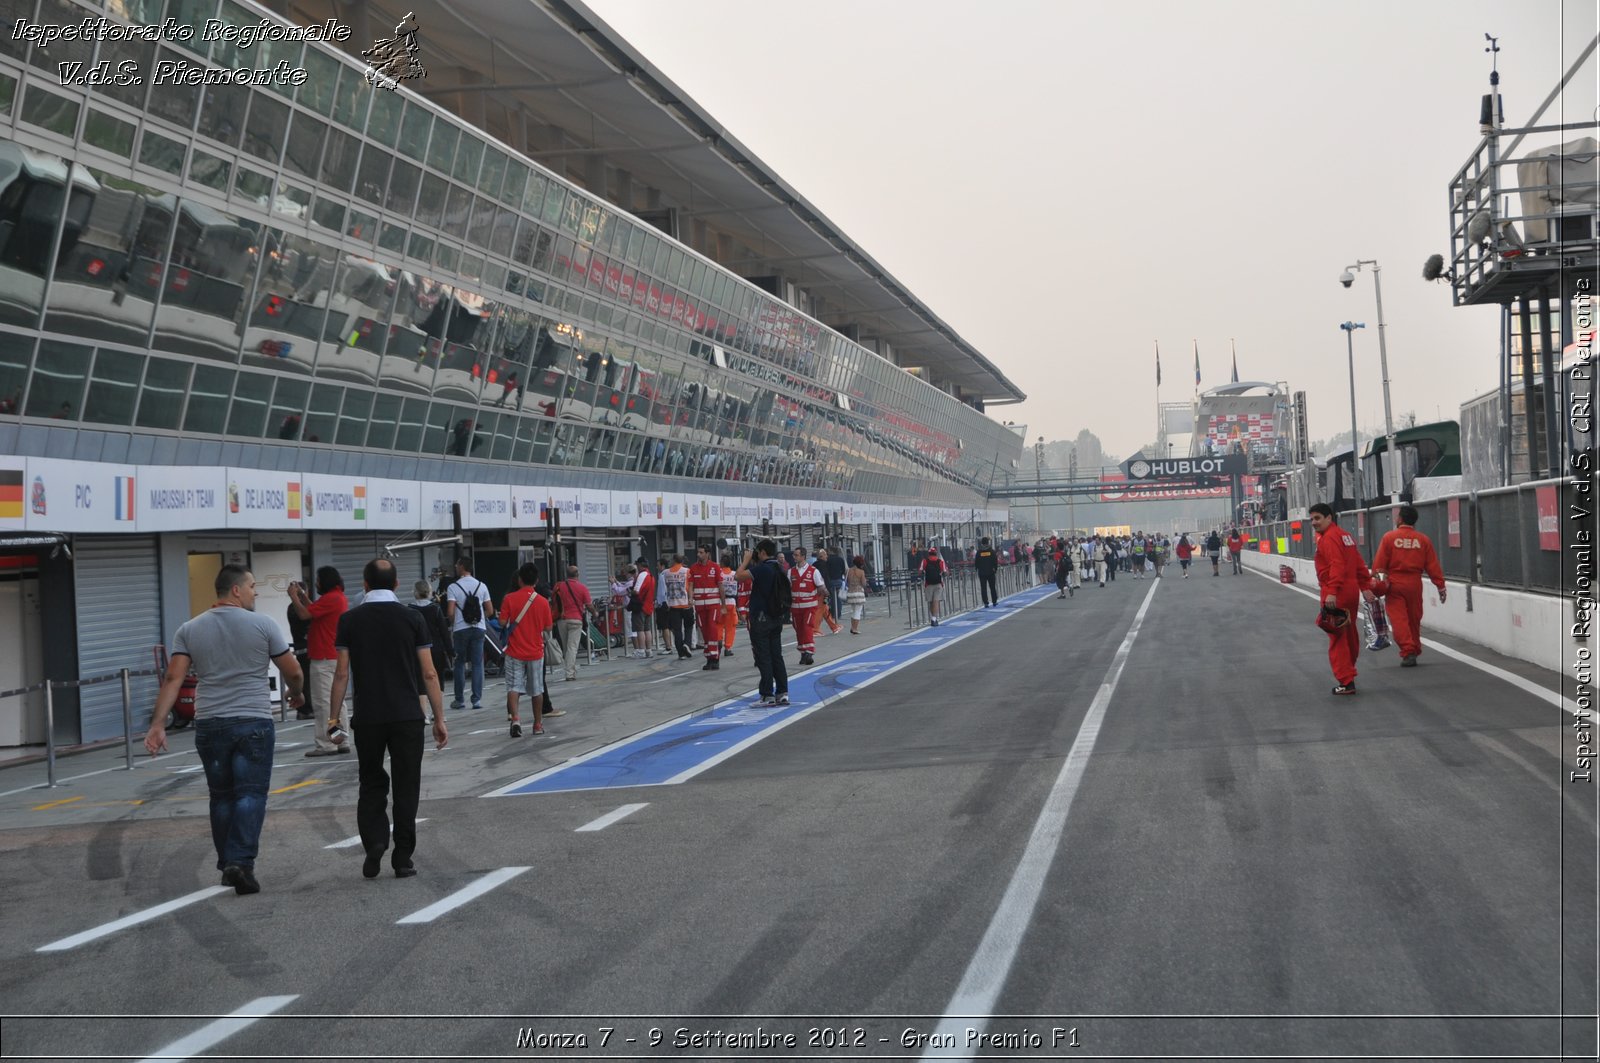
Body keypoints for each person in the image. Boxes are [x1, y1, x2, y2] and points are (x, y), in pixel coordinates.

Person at [144, 565, 304, 896]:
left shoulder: (189, 629)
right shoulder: (263, 624)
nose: (255, 592)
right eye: (251, 586)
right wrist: (298, 693)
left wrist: (158, 724)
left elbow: (174, 678)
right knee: (250, 793)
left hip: (210, 722)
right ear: (235, 590)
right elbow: (293, 670)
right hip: (253, 721)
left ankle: (228, 862)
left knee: (221, 796)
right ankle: (240, 862)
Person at [328, 559, 448, 879]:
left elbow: (341, 673)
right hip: (408, 714)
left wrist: (332, 718)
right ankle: (403, 858)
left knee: (371, 782)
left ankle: (375, 842)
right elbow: (429, 672)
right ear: (396, 585)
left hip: (368, 716)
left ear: (365, 585)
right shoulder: (412, 618)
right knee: (406, 785)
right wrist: (439, 717)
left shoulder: (350, 620)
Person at [1310, 502, 1377, 695]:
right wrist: (1364, 586)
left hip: (1336, 593)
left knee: (1336, 636)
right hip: (1350, 592)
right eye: (1312, 519)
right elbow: (1358, 563)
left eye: (1317, 518)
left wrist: (1331, 591)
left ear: (1329, 518)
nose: (1314, 522)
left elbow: (1337, 565)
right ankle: (1349, 669)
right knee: (1348, 633)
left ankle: (1346, 681)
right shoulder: (1345, 536)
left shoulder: (1328, 538)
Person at [1372, 504, 1448, 667]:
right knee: (1414, 618)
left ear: (1400, 519)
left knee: (1399, 619)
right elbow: (1433, 566)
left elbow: (1380, 565)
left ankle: (1408, 651)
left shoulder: (1389, 538)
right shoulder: (1423, 540)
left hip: (1395, 584)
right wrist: (1440, 586)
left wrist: (1377, 587)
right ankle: (1414, 647)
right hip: (1414, 583)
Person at [289, 567, 350, 757]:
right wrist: (302, 596)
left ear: (325, 580)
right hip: (333, 655)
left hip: (323, 657)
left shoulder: (331, 598)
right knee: (337, 704)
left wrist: (293, 597)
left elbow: (304, 615)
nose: (316, 583)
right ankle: (340, 740)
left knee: (323, 704)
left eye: (317, 579)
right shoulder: (336, 597)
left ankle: (326, 744)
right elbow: (313, 610)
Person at [498, 563, 553, 736]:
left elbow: (501, 623)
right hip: (536, 651)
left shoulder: (509, 599)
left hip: (514, 651)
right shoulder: (543, 602)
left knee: (513, 687)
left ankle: (515, 719)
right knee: (537, 689)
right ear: (536, 580)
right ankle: (537, 725)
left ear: (520, 579)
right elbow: (548, 627)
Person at [737, 538, 789, 707]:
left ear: (762, 552)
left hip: (761, 618)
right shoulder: (779, 567)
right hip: (776, 617)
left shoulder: (762, 569)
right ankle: (782, 692)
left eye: (757, 552)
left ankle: (767, 695)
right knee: (777, 655)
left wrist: (745, 560)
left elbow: (738, 576)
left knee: (763, 657)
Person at [445, 556, 492, 710]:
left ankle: (459, 700)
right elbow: (490, 610)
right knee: (477, 663)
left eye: (457, 564)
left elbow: (450, 611)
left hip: (461, 629)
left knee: (459, 663)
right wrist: (479, 619)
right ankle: (476, 700)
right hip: (479, 628)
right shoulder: (482, 586)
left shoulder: (453, 587)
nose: (455, 566)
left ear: (462, 567)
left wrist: (454, 622)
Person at [550, 565, 595, 681]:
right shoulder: (582, 587)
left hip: (562, 620)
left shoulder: (559, 586)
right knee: (572, 647)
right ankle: (570, 673)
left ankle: (571, 670)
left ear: (566, 575)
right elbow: (589, 605)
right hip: (576, 620)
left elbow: (553, 601)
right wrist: (595, 613)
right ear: (577, 575)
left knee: (567, 647)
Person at [409, 580, 454, 688]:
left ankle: (423, 702)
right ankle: (439, 700)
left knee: (420, 682)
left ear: (414, 592)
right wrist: (450, 650)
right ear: (429, 592)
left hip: (417, 649)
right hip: (436, 648)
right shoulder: (435, 609)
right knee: (438, 678)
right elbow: (444, 632)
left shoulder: (410, 610)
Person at [689, 543, 726, 670]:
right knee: (704, 632)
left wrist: (723, 605)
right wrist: (690, 598)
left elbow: (721, 586)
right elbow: (690, 585)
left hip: (713, 605)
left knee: (712, 629)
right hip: (699, 606)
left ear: (707, 553)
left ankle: (715, 658)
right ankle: (709, 657)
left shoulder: (715, 567)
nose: (698, 554)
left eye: (701, 552)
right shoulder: (693, 568)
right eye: (698, 552)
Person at [788, 544, 825, 665]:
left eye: (796, 555)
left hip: (809, 605)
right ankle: (803, 652)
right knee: (798, 629)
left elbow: (820, 586)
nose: (794, 557)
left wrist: (823, 596)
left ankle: (809, 651)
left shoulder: (813, 571)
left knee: (807, 627)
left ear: (803, 556)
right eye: (794, 555)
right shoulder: (791, 572)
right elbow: (787, 588)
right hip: (795, 607)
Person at [285, 590, 315, 721]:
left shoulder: (292, 608)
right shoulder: (295, 609)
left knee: (306, 679)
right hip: (304, 648)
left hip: (303, 649)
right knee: (306, 680)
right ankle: (305, 709)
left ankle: (304, 707)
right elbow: (307, 617)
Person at [661, 554, 693, 659]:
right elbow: (690, 587)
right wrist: (691, 599)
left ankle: (681, 652)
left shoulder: (665, 573)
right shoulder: (686, 571)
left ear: (674, 560)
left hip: (673, 605)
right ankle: (687, 644)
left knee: (677, 630)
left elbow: (663, 589)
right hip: (685, 603)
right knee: (689, 626)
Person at [630, 557, 655, 658]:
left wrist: (629, 592)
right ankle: (649, 650)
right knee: (647, 629)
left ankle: (641, 651)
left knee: (640, 629)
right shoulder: (651, 575)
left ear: (640, 565)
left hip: (640, 606)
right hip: (648, 606)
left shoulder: (642, 575)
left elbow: (636, 591)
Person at [919, 546, 948, 625]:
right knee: (936, 600)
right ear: (936, 553)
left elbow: (920, 572)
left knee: (931, 602)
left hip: (928, 584)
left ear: (929, 554)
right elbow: (945, 572)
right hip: (938, 584)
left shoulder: (924, 561)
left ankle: (933, 617)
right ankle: (934, 618)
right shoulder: (940, 561)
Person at [821, 546, 848, 619]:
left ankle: (833, 613)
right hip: (839, 580)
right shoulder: (840, 559)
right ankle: (838, 613)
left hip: (831, 580)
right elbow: (844, 570)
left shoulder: (828, 560)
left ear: (831, 551)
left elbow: (826, 570)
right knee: (838, 598)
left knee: (832, 598)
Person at [845, 554, 868, 634]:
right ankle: (855, 629)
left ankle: (852, 627)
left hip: (850, 592)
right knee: (858, 611)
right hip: (859, 593)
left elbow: (847, 581)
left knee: (853, 610)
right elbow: (863, 583)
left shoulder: (848, 570)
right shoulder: (861, 572)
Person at [975, 537, 999, 607]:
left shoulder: (979, 552)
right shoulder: (991, 551)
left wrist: (977, 568)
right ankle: (994, 601)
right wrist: (995, 569)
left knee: (983, 588)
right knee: (992, 587)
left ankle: (986, 602)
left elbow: (976, 561)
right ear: (988, 543)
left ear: (982, 543)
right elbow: (995, 560)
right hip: (991, 572)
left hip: (982, 573)